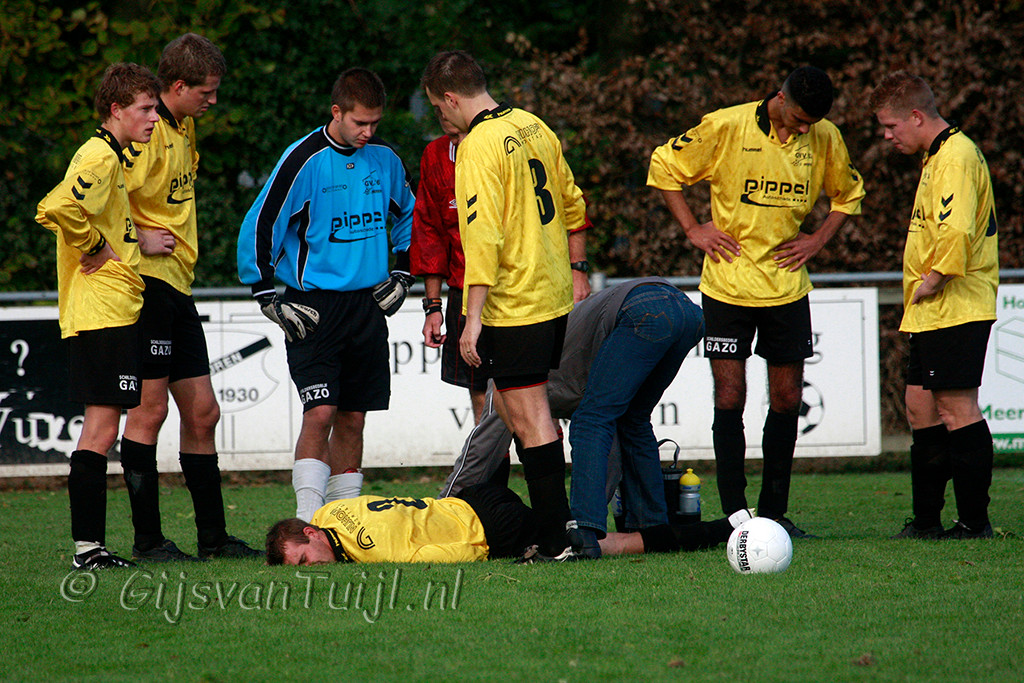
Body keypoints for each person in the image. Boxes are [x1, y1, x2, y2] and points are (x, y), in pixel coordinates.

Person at [647, 66, 865, 538]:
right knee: (730, 395)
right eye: (800, 119)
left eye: (812, 123)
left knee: (787, 399)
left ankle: (774, 513)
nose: (805, 130)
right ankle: (735, 516)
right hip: (728, 286)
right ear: (781, 99)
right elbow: (663, 165)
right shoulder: (726, 125)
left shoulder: (825, 136)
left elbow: (849, 194)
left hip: (787, 288)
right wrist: (693, 228)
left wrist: (817, 240)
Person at [421, 50, 589, 558]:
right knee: (524, 416)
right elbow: (573, 203)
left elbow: (483, 237)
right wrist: (575, 268)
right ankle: (556, 528)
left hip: (515, 301)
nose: (441, 118)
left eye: (438, 108)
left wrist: (472, 319)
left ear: (451, 97)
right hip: (550, 294)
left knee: (529, 416)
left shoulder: (477, 146)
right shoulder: (534, 126)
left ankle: (556, 538)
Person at [237, 68, 415, 522]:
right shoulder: (303, 159)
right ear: (336, 112)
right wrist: (265, 294)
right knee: (320, 412)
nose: (368, 131)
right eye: (359, 122)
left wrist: (403, 271)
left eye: (375, 123)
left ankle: (343, 521)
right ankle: (307, 521)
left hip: (367, 307)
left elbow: (410, 217)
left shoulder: (385, 159)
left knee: (354, 417)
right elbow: (261, 223)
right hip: (313, 307)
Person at [118, 34, 259, 562]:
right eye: (206, 91)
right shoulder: (144, 131)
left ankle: (214, 539)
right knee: (149, 411)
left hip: (178, 284)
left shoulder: (183, 126)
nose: (213, 100)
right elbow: (102, 196)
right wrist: (138, 236)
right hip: (146, 285)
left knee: (203, 412)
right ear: (177, 86)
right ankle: (148, 540)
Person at [440, 278, 705, 559]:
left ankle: (583, 536)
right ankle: (651, 529)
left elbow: (481, 448)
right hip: (689, 314)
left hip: (643, 309)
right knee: (632, 420)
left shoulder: (510, 379)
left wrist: (445, 507)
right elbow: (610, 448)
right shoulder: (547, 358)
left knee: (591, 420)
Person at [35, 63, 161, 570]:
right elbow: (56, 207)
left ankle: (91, 548)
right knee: (101, 430)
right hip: (101, 309)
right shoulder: (99, 156)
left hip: (112, 306)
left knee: (103, 428)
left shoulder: (110, 154)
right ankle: (88, 550)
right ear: (116, 110)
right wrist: (93, 246)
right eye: (145, 109)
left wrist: (121, 241)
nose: (154, 118)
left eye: (155, 108)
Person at [869, 72, 999, 539]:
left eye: (891, 126)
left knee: (956, 408)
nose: (887, 136)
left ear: (916, 116)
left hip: (956, 304)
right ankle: (926, 522)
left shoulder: (956, 157)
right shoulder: (937, 156)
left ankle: (974, 523)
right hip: (932, 309)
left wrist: (934, 279)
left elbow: (957, 229)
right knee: (919, 406)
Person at [411, 116, 591, 425]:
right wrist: (433, 305)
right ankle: (492, 454)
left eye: (463, 134)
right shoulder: (436, 156)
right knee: (480, 390)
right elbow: (429, 231)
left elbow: (570, 203)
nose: (460, 143)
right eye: (453, 137)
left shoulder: (506, 143)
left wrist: (578, 269)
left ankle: (537, 447)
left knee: (533, 389)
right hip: (465, 289)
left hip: (521, 287)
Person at [265, 478, 753, 565]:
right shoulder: (330, 511)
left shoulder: (370, 551)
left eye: (305, 560)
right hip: (472, 497)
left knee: (603, 546)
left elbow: (446, 553)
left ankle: (727, 530)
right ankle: (730, 524)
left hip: (493, 528)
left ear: (310, 534)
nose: (313, 569)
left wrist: (497, 551)